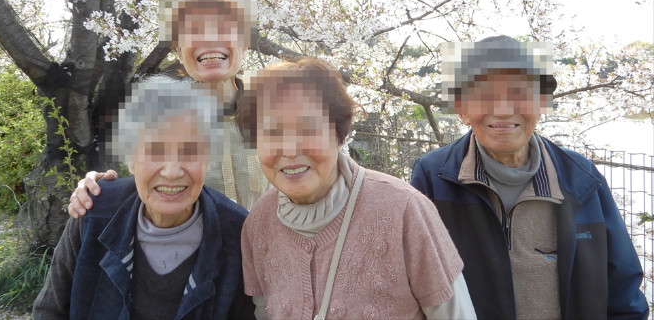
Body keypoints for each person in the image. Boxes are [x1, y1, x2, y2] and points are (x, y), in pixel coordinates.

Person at [410, 35, 649, 320]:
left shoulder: (581, 178)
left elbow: (623, 289)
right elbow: (415, 285)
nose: (502, 108)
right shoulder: (434, 177)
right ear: (461, 109)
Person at [236, 57, 476, 320]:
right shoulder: (258, 223)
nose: (291, 150)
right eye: (271, 133)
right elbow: (263, 311)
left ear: (338, 133)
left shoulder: (405, 211)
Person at [33, 80, 254, 319]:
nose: (172, 171)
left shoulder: (238, 233)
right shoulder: (94, 210)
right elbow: (50, 311)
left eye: (190, 150)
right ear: (130, 159)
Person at [69, 0, 268, 216]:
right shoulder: (155, 122)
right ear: (179, 53)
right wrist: (99, 189)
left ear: (244, 46)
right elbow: (147, 188)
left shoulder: (279, 116)